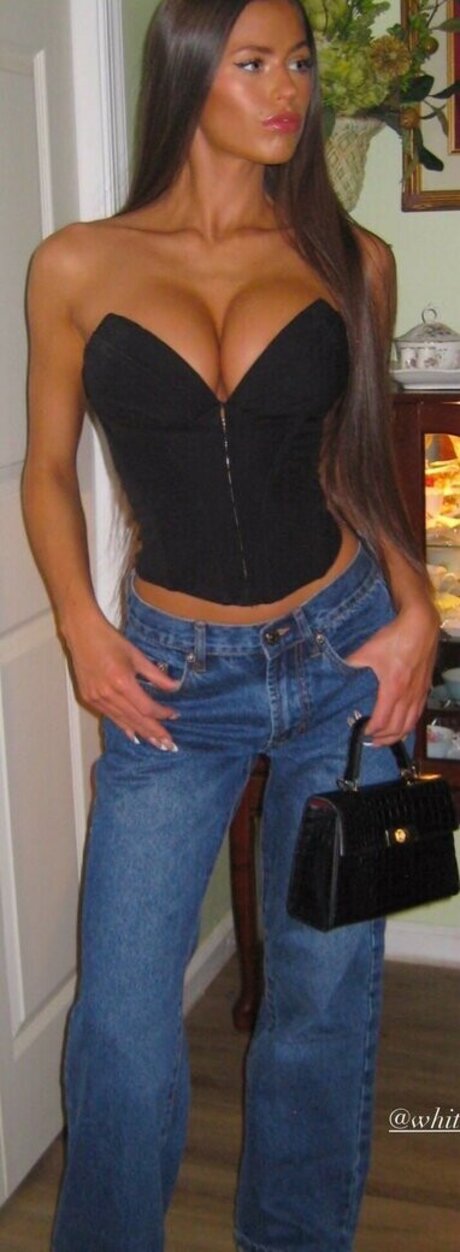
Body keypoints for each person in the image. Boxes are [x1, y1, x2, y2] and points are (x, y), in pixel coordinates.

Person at [22, 1, 438, 1249]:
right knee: (121, 1018)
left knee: (321, 991)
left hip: (341, 656)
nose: (287, 89)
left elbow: (362, 464)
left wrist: (417, 611)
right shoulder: (76, 264)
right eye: (253, 64)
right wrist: (81, 628)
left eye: (298, 62)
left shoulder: (351, 260)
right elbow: (45, 470)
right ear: (191, 75)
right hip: (169, 678)